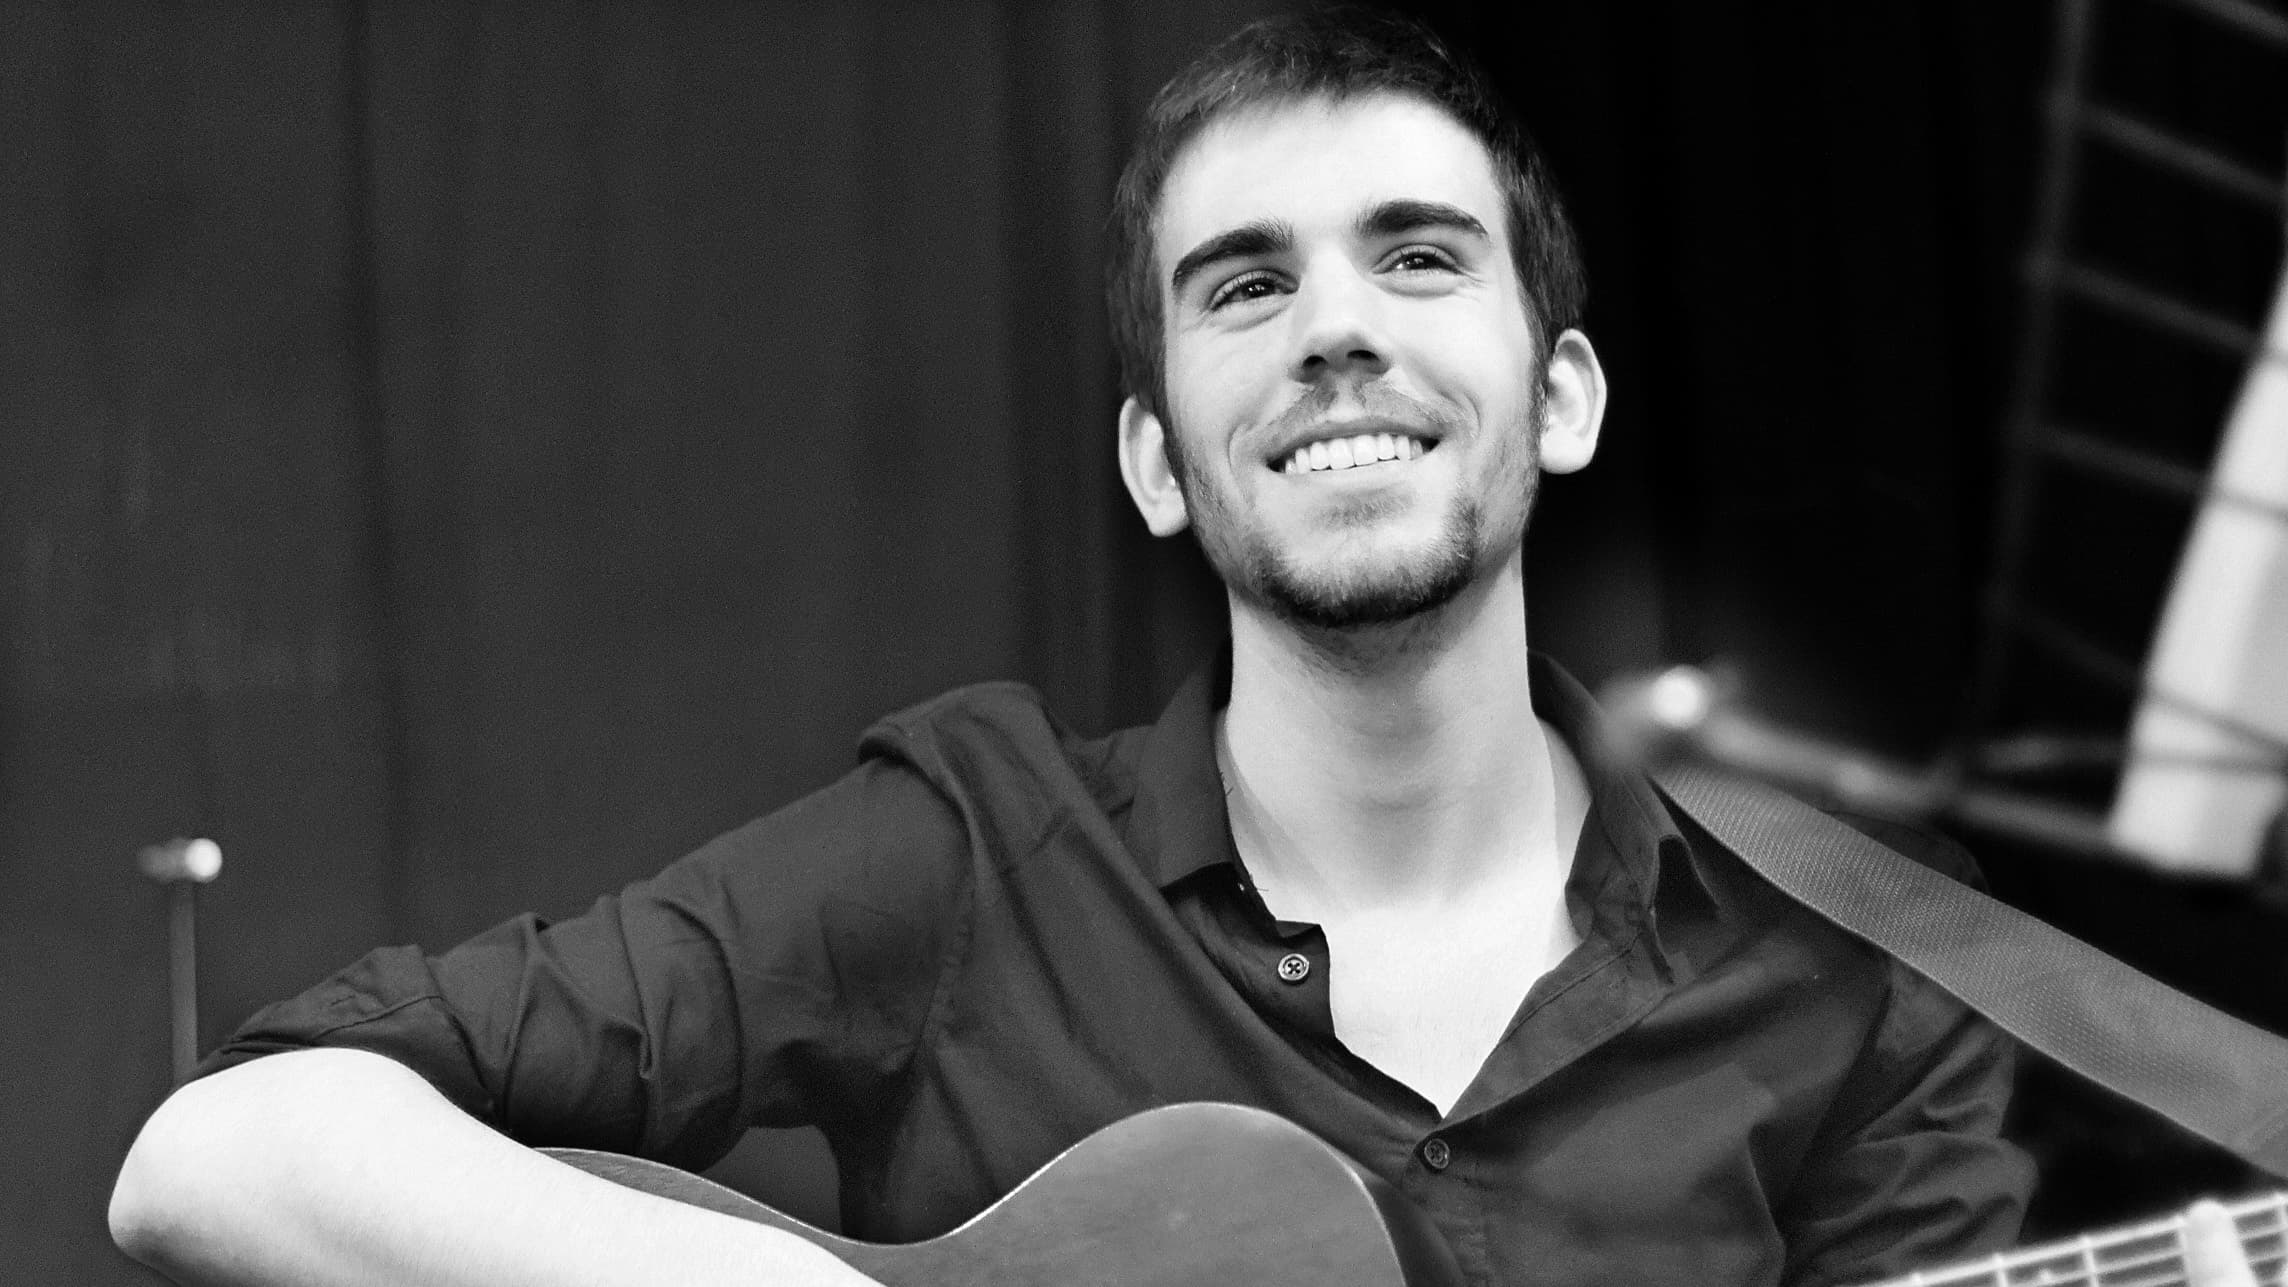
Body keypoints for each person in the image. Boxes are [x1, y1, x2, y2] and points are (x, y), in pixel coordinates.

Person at [107, 10, 2268, 1287]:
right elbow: (210, 1155)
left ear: (1568, 396)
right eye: (1244, 284)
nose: (1335, 321)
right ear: (1156, 461)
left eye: (1417, 259)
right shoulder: (963, 849)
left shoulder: (1856, 957)